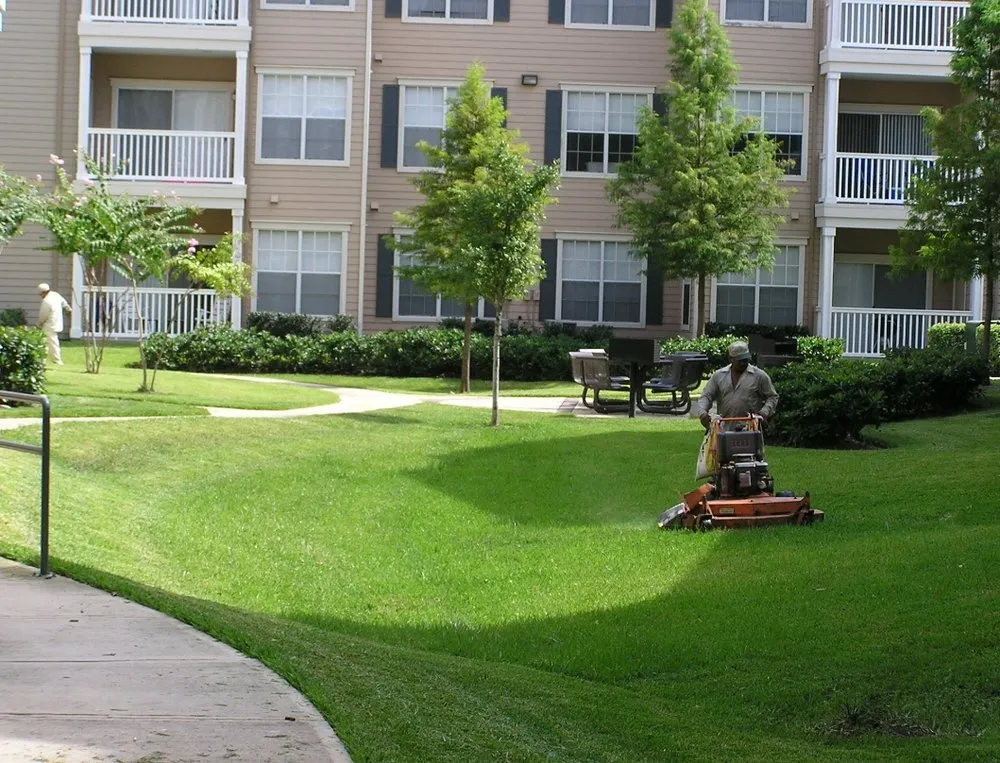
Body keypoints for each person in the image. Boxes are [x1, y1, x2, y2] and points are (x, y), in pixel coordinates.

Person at [697, 340, 779, 429]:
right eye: (740, 360)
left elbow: (772, 397)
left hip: (750, 429)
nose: (743, 363)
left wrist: (764, 412)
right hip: (724, 428)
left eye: (745, 359)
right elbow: (706, 396)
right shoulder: (719, 375)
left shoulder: (759, 376)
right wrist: (703, 413)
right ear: (731, 359)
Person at [36, 283, 71, 366]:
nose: (40, 296)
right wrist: (68, 309)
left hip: (49, 324)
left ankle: (56, 360)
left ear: (43, 292)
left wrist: (38, 324)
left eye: (40, 294)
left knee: (50, 342)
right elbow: (64, 303)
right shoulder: (56, 295)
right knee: (48, 341)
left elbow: (43, 315)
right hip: (57, 322)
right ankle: (43, 360)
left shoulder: (46, 301)